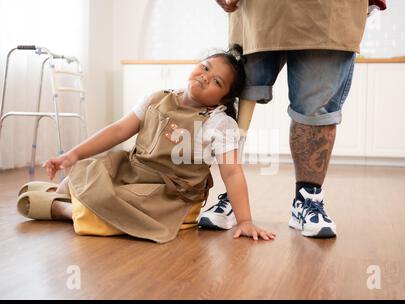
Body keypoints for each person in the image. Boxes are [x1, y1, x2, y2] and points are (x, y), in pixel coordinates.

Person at [16, 44, 276, 243]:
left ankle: (63, 208)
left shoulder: (219, 124)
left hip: (168, 193)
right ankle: (69, 194)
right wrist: (72, 155)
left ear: (223, 99)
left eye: (217, 82)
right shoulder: (156, 98)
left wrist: (245, 220)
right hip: (134, 171)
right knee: (92, 169)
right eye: (205, 67)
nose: (206, 77)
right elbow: (118, 130)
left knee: (123, 207)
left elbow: (232, 173)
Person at [198, 0, 372, 238]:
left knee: (316, 108)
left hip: (330, 9)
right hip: (257, 9)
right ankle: (232, 197)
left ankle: (307, 198)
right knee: (239, 92)